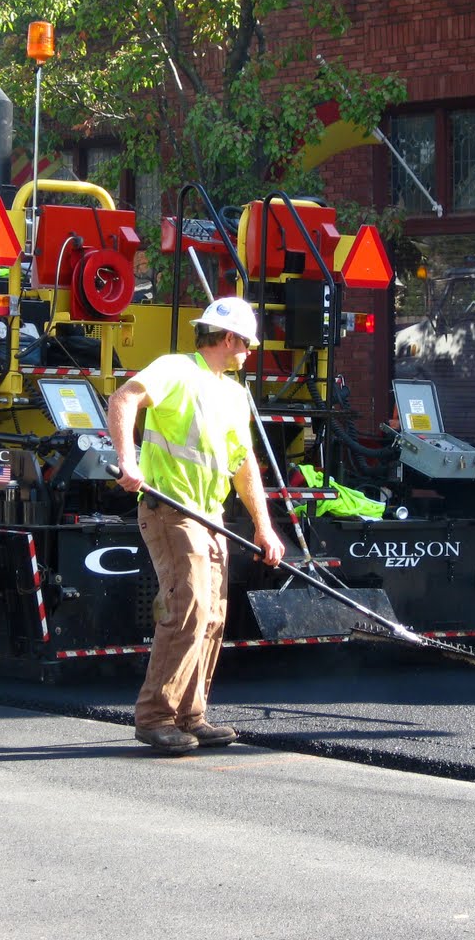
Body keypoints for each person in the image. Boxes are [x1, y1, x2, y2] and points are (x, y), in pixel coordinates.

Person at [107, 297, 286, 755]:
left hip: (211, 516)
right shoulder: (174, 369)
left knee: (212, 616)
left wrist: (264, 528)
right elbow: (124, 397)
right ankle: (156, 717)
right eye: (246, 343)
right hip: (172, 508)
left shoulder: (233, 392)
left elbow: (243, 466)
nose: (249, 352)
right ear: (228, 339)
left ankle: (191, 714)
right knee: (187, 609)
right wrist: (127, 460)